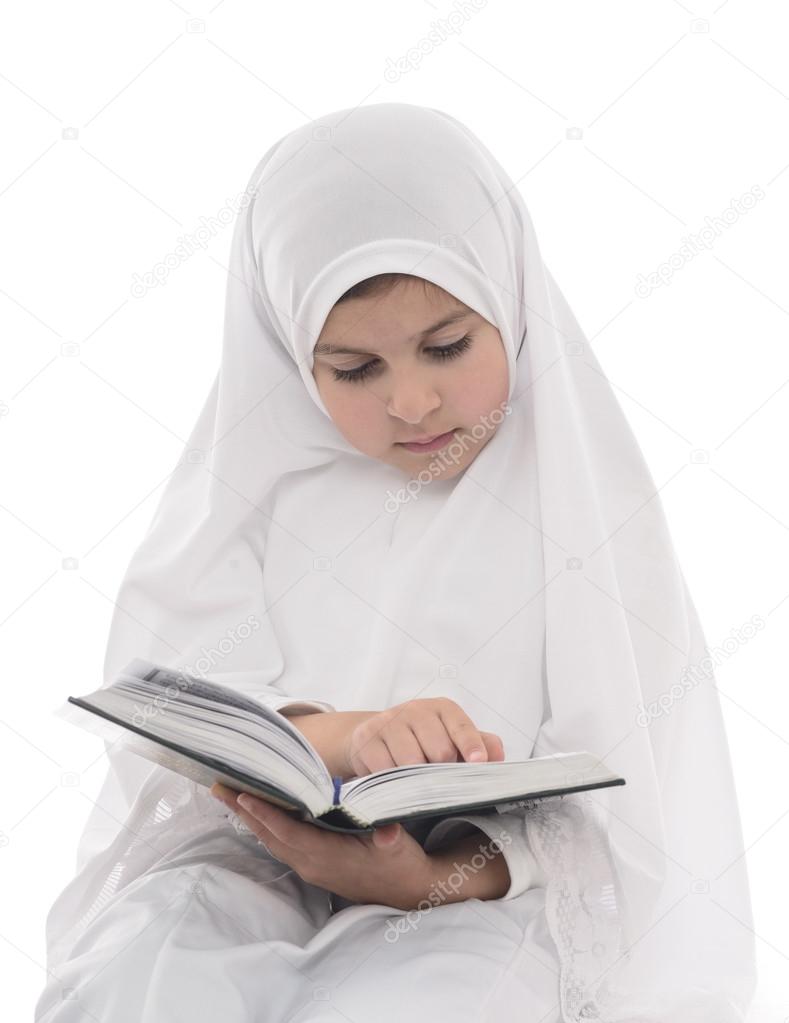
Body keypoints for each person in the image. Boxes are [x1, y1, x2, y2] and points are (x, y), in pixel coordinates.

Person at [35, 102, 757, 1022]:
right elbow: (183, 722)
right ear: (290, 358)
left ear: (512, 302)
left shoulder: (576, 508)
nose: (412, 401)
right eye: (353, 368)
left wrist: (423, 879)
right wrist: (346, 738)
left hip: (470, 898)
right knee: (149, 969)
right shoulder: (249, 488)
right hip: (246, 861)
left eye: (447, 346)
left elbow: (617, 817)